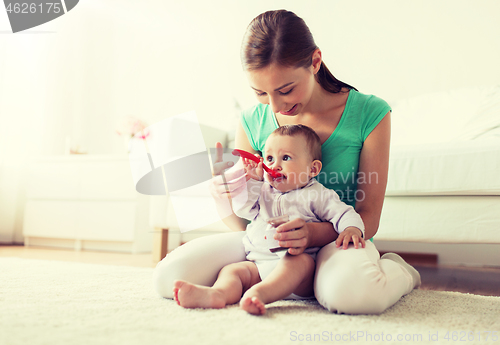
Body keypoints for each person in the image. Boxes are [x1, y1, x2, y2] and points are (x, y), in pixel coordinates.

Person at [153, 9, 421, 314]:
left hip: (336, 241)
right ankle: (265, 286)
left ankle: (399, 271)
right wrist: (225, 198)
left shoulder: (370, 113)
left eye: (285, 89)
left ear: (315, 62)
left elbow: (368, 216)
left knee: (354, 296)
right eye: (261, 93)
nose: (276, 105)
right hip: (266, 239)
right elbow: (245, 221)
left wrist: (311, 233)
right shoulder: (251, 120)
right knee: (167, 278)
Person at [173, 124, 366, 315]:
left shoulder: (318, 194)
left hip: (300, 274)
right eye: (270, 158)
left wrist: (352, 229)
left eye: (286, 158)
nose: (274, 165)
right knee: (233, 271)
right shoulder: (263, 190)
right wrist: (254, 182)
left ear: (313, 169)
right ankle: (218, 294)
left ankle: (258, 294)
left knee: (299, 263)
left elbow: (344, 213)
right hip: (259, 265)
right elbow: (243, 210)